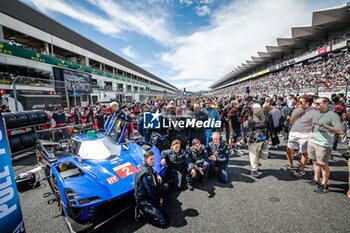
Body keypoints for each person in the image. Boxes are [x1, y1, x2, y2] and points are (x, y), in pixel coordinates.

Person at [309, 97, 343, 194]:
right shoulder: (317, 113)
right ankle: (316, 179)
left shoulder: (333, 115)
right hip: (313, 141)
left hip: (323, 144)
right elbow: (313, 126)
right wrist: (310, 139)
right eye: (316, 104)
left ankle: (325, 185)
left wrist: (322, 125)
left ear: (326, 104)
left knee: (324, 165)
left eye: (318, 104)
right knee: (315, 162)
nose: (316, 105)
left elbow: (340, 131)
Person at [281, 95, 317, 177]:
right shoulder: (297, 109)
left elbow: (315, 126)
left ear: (308, 103)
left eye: (301, 102)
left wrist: (311, 135)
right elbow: (291, 121)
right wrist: (297, 113)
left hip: (305, 135)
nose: (299, 103)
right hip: (293, 133)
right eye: (299, 102)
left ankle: (302, 169)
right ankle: (290, 165)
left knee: (304, 153)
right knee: (289, 150)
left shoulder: (315, 112)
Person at [134, 150, 169, 227]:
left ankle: (156, 205)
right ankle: (142, 212)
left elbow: (152, 170)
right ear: (145, 159)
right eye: (151, 159)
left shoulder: (145, 165)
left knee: (166, 186)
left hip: (149, 191)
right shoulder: (145, 172)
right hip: (143, 198)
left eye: (154, 159)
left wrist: (157, 174)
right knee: (164, 222)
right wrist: (158, 199)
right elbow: (149, 191)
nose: (153, 161)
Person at [243, 103, 268, 177]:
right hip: (262, 139)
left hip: (253, 140)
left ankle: (254, 170)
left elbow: (245, 126)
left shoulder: (252, 120)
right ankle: (256, 165)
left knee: (253, 154)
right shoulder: (265, 118)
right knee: (258, 153)